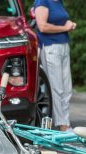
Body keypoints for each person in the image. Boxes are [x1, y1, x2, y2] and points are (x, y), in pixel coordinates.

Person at [34, 0, 76, 132]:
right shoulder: (42, 1)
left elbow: (60, 21)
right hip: (50, 47)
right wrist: (65, 28)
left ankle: (65, 123)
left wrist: (69, 24)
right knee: (56, 89)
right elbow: (42, 27)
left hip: (64, 45)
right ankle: (63, 126)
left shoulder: (59, 2)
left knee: (67, 89)